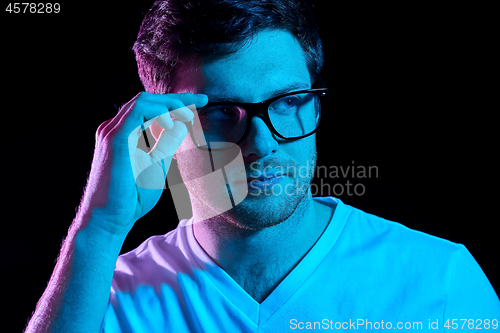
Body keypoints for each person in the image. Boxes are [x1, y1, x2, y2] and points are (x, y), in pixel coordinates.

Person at [25, 0, 499, 332]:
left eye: (290, 101)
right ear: (160, 128)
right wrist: (100, 228)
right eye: (218, 111)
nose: (262, 143)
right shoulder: (99, 299)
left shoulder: (440, 280)